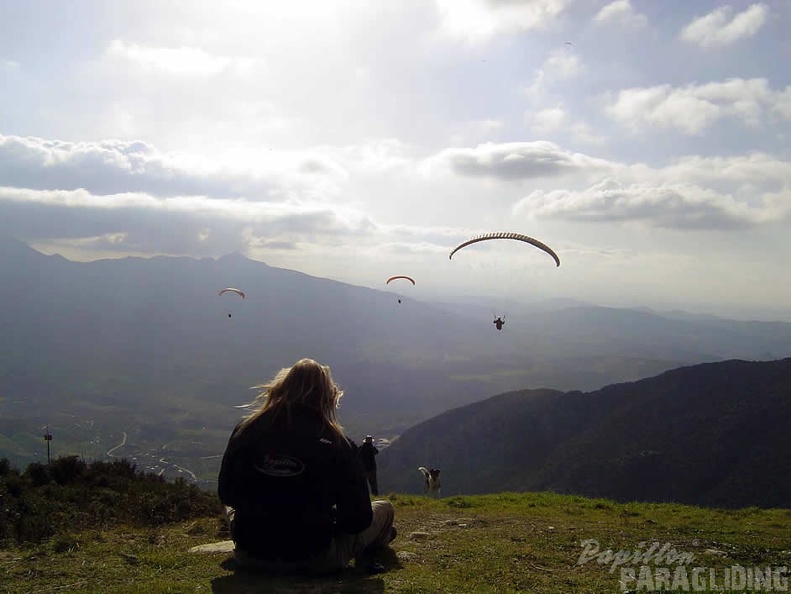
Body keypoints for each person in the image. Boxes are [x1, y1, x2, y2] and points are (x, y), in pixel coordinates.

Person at [218, 358, 396, 574]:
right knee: (384, 509)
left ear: (281, 387)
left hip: (251, 554)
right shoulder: (337, 443)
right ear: (328, 396)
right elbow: (359, 518)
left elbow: (227, 493)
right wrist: (324, 521)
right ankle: (378, 543)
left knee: (230, 510)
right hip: (316, 557)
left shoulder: (246, 430)